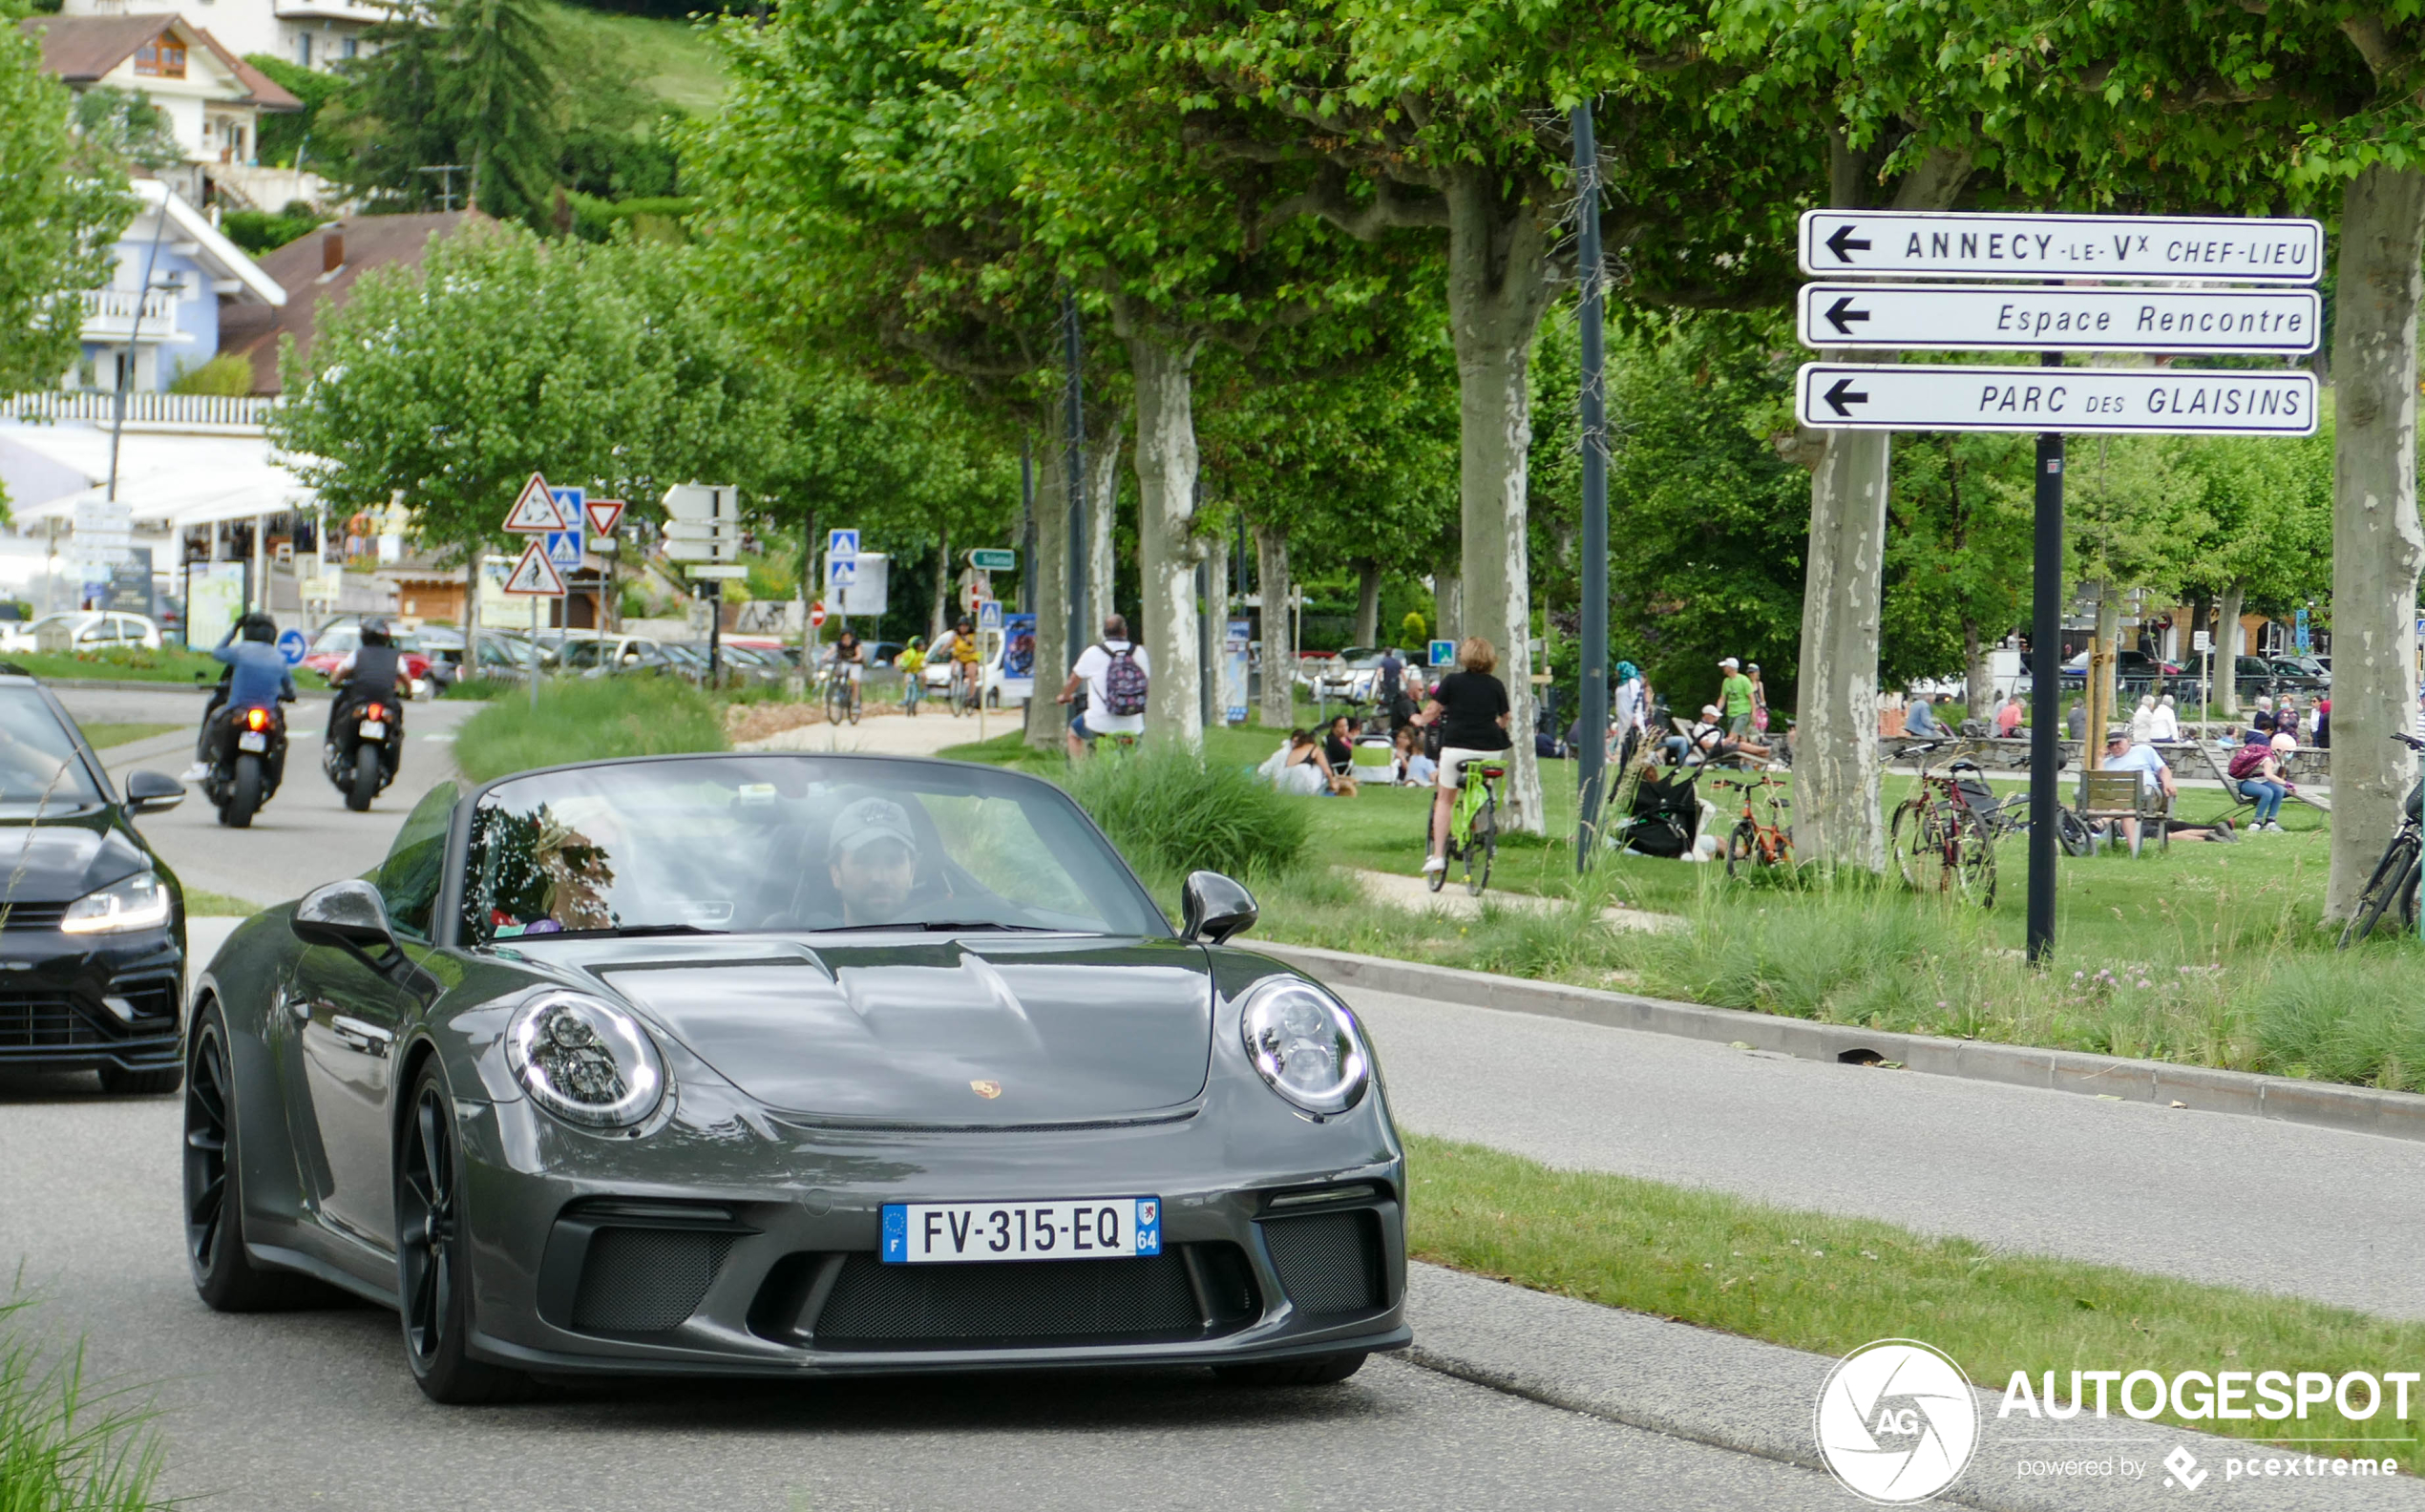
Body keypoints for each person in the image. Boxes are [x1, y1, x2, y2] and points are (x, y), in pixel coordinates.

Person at [1410, 637, 1511, 875]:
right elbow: (1505, 718)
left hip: (1457, 747)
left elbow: (1434, 710)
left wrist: (1419, 720)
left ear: (1464, 657)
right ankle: (1484, 826)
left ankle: (1437, 857)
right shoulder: (1496, 685)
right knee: (1482, 784)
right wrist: (1497, 724)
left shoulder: (1453, 681)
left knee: (1445, 799)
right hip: (1490, 748)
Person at [186, 612, 294, 780]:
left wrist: (233, 630)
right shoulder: (280, 658)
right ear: (273, 634)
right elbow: (290, 688)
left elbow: (217, 652)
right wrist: (289, 695)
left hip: (237, 709)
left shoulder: (240, 650)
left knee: (214, 719)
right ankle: (275, 772)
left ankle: (200, 764)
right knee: (281, 736)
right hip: (268, 712)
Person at [1058, 614, 1150, 757]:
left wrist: (1065, 696)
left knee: (1073, 733)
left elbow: (1073, 681)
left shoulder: (1092, 653)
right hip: (1133, 723)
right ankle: (1135, 776)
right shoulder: (1139, 652)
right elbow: (1146, 686)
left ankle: (1079, 776)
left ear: (1104, 632)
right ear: (1125, 631)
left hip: (1099, 723)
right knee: (1135, 751)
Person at [827, 796, 923, 926]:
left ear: (912, 872)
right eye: (864, 860)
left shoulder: (941, 937)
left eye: (894, 861)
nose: (880, 877)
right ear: (836, 874)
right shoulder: (803, 943)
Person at [327, 617, 410, 744]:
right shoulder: (396, 657)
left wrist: (333, 682)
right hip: (386, 700)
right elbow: (407, 681)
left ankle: (331, 740)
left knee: (339, 706)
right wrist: (408, 692)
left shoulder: (357, 654)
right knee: (396, 723)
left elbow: (339, 674)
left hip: (359, 700)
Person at [2227, 728, 2289, 831]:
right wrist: (2285, 783)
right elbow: (2269, 775)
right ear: (2279, 749)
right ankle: (2257, 821)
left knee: (2279, 790)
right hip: (2246, 783)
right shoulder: (2268, 758)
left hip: (2260, 781)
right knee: (2267, 793)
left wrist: (2282, 785)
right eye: (2287, 752)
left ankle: (2271, 821)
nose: (2288, 754)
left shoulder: (2276, 757)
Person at [937, 616, 983, 707]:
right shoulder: (955, 636)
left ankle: (971, 696)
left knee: (971, 673)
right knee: (954, 666)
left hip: (970, 658)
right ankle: (954, 683)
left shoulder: (973, 635)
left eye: (965, 626)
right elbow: (948, 644)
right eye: (961, 626)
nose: (963, 628)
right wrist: (941, 651)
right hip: (958, 657)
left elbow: (976, 645)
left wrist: (969, 642)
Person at [831, 628, 866, 716]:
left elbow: (859, 654)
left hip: (855, 663)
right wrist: (824, 658)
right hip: (844, 662)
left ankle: (856, 703)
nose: (845, 641)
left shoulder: (856, 644)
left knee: (854, 681)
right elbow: (831, 651)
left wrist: (856, 658)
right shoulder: (839, 644)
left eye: (848, 638)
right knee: (838, 675)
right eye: (844, 638)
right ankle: (839, 693)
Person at [1719, 657, 1755, 738]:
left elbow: (1752, 697)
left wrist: (1753, 713)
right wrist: (1717, 712)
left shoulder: (1744, 680)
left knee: (1732, 736)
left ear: (1731, 668)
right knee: (1741, 737)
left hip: (1743, 712)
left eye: (1725, 666)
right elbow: (1722, 698)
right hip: (1731, 713)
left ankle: (1725, 747)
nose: (1723, 668)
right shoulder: (1726, 681)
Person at [1375, 646, 1409, 726]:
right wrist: (1406, 682)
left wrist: (1379, 681)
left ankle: (1385, 713)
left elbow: (1379, 672)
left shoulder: (1384, 662)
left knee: (1386, 698)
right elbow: (1402, 673)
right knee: (1395, 697)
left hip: (1387, 683)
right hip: (1396, 683)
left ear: (1384, 653)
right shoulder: (1397, 662)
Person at [896, 635, 927, 714]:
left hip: (917, 670)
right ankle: (905, 698)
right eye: (921, 645)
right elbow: (900, 658)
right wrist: (899, 664)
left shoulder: (921, 654)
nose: (923, 646)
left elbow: (924, 661)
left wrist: (924, 665)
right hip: (909, 670)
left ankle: (923, 690)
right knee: (907, 679)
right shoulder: (909, 653)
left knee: (924, 676)